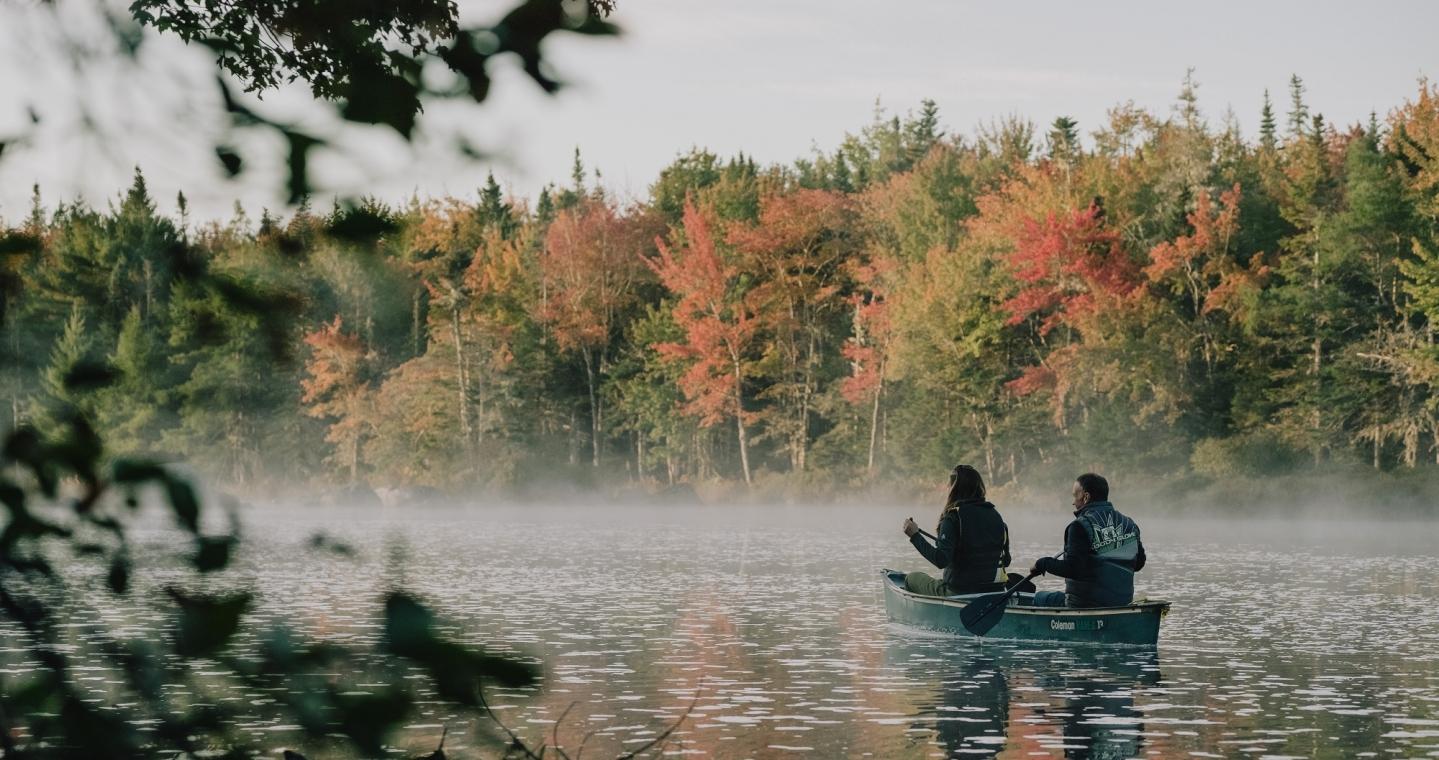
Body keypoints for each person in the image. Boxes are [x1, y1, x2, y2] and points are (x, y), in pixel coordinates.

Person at [1029, 473, 1146, 608]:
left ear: (1086, 497)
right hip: (1122, 604)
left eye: (1075, 496)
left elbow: (1073, 570)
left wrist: (1042, 563)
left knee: (1039, 598)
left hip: (1083, 605)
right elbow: (1138, 564)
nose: (1073, 502)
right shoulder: (1129, 524)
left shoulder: (1079, 526)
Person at [901, 465, 1012, 597]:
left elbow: (941, 560)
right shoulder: (996, 516)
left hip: (960, 593)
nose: (947, 487)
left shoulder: (953, 517)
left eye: (949, 484)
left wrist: (915, 536)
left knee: (911, 578)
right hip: (996, 592)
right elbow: (1006, 561)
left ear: (954, 487)